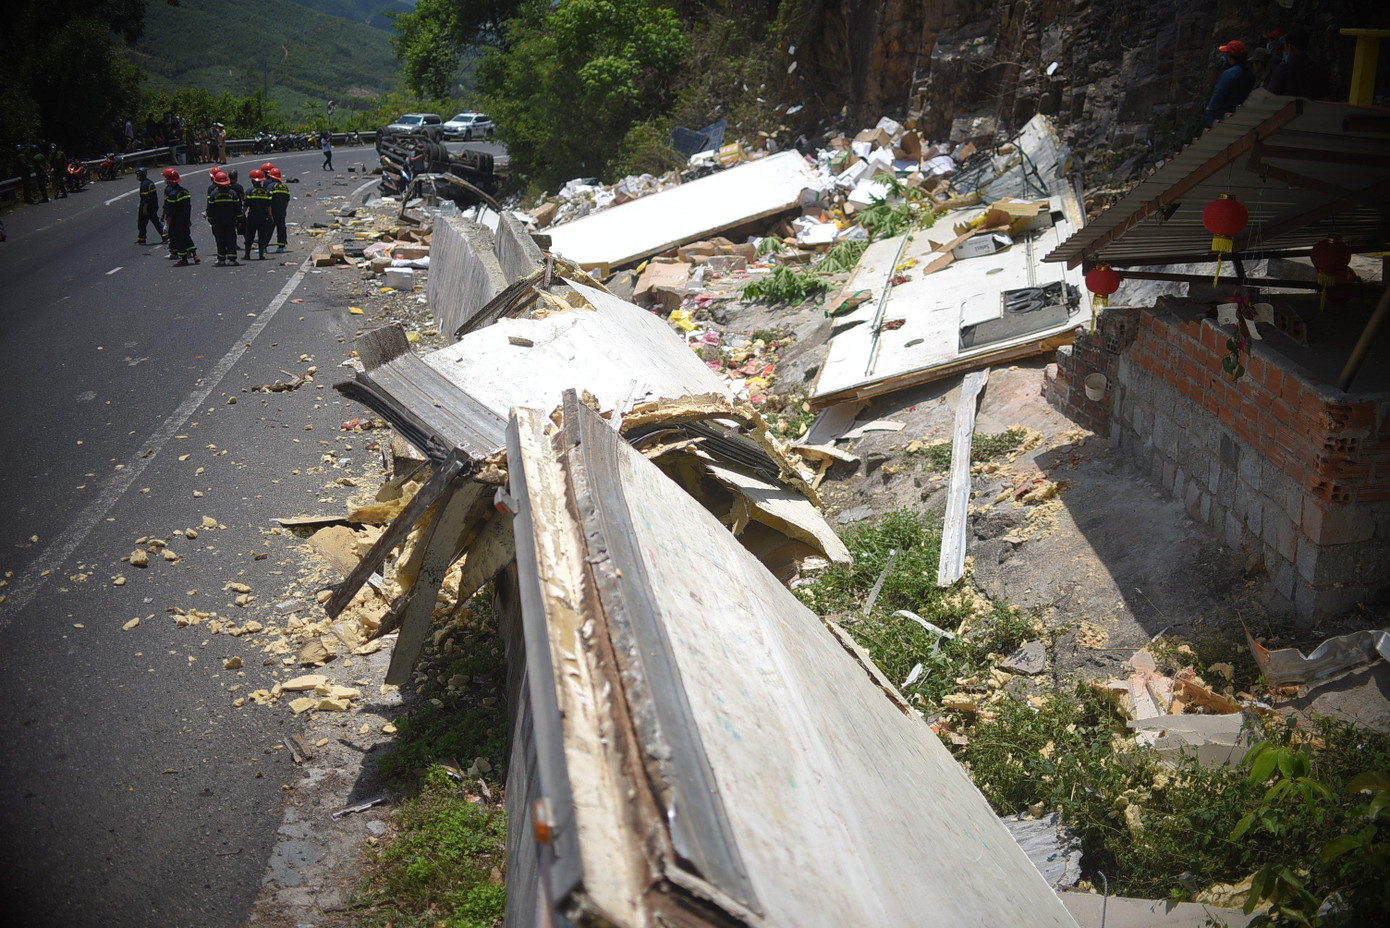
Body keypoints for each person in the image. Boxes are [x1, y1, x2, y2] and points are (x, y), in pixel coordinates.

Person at [1268, 29, 1331, 100]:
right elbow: (1327, 98)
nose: (1284, 51)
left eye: (1284, 48)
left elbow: (1270, 97)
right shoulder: (1319, 70)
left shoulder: (1283, 71)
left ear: (1290, 47)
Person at [1205, 39, 1255, 127]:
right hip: (1240, 118)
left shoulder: (1229, 74)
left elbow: (1218, 96)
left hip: (1221, 118)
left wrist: (1210, 113)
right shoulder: (1250, 75)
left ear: (1230, 57)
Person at [162, 167, 199, 266]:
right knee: (187, 237)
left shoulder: (173, 195)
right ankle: (195, 255)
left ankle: (183, 259)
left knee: (179, 240)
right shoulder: (185, 192)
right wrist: (188, 218)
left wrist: (167, 224)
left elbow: (171, 211)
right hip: (185, 219)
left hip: (176, 222)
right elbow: (188, 207)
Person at [205, 170, 242, 266]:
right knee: (231, 239)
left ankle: (221, 259)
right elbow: (238, 208)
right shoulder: (233, 194)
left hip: (218, 222)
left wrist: (210, 220)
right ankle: (232, 259)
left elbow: (210, 209)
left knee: (220, 240)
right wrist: (239, 219)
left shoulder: (213, 195)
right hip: (230, 221)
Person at [243, 168, 274, 260]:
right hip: (263, 217)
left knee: (249, 237)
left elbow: (246, 205)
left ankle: (247, 255)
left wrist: (241, 214)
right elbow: (269, 206)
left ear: (252, 180)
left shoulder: (249, 191)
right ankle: (261, 255)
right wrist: (270, 216)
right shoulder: (266, 192)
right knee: (262, 237)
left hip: (252, 217)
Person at [134, 166, 167, 245]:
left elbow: (146, 198)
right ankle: (165, 236)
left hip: (147, 207)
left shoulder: (144, 185)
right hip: (153, 206)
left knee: (142, 223)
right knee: (156, 222)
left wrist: (144, 209)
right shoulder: (150, 182)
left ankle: (142, 239)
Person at [266, 166, 290, 253]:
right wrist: (284, 209)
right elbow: (287, 201)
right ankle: (281, 247)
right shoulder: (285, 187)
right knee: (281, 228)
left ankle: (264, 247)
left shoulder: (270, 187)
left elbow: (268, 201)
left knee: (268, 229)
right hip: (282, 211)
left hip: (272, 211)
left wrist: (269, 213)